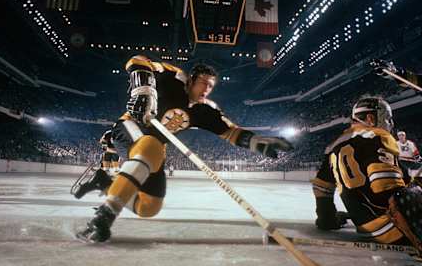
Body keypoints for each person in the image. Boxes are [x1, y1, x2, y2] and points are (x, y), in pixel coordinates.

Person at [77, 55, 293, 242]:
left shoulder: (205, 109)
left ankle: (105, 183)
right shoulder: (173, 77)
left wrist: (257, 142)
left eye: (210, 86)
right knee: (151, 144)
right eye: (203, 83)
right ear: (191, 80)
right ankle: (103, 217)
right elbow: (137, 61)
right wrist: (144, 90)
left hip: (154, 150)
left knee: (149, 206)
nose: (206, 90)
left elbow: (230, 132)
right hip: (130, 128)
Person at [312, 96, 421, 253]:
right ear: (371, 118)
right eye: (387, 118)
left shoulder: (334, 145)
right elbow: (386, 188)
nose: (390, 123)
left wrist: (328, 219)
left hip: (366, 230)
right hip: (394, 229)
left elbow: (321, 188)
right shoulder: (378, 136)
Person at [71, 129, 116, 199]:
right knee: (104, 172)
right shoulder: (109, 133)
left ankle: (100, 183)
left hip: (115, 159)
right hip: (109, 157)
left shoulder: (123, 136)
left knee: (110, 176)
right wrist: (107, 148)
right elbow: (102, 142)